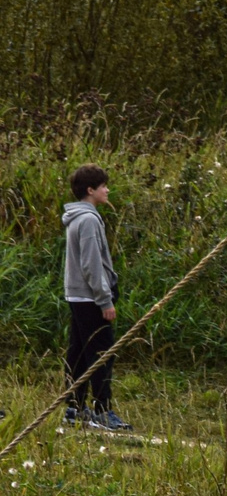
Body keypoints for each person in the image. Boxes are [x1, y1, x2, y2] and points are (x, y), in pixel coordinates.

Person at [61, 164, 129, 432]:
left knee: (77, 351)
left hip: (77, 296)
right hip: (89, 298)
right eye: (103, 186)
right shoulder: (88, 220)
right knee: (102, 352)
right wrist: (105, 300)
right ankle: (102, 411)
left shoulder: (78, 217)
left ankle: (74, 407)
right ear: (90, 190)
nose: (107, 190)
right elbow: (91, 265)